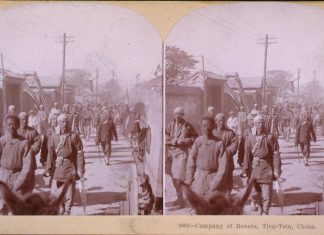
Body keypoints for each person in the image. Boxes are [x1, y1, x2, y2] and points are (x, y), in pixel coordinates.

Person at [44, 114, 85, 215]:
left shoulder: (74, 136)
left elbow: (80, 153)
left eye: (66, 121)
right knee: (54, 194)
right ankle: (60, 209)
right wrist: (48, 169)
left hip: (70, 168)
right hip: (57, 169)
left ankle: (67, 211)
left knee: (69, 194)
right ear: (58, 123)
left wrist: (80, 169)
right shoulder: (54, 137)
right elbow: (50, 154)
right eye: (62, 121)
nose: (65, 123)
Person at [241, 115, 281, 215]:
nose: (261, 124)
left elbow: (276, 154)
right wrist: (245, 170)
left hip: (266, 168)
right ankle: (260, 207)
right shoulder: (250, 137)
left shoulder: (270, 137)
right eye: (258, 122)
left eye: (262, 122)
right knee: (254, 194)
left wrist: (276, 170)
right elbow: (247, 155)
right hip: (254, 169)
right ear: (254, 124)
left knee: (267, 194)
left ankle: (265, 212)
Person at [185, 117, 228, 207]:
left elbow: (223, 166)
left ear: (213, 127)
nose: (206, 128)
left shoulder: (219, 143)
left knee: (212, 208)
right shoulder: (198, 142)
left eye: (208, 125)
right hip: (199, 179)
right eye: (204, 126)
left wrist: (216, 182)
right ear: (201, 127)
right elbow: (191, 161)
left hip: (213, 179)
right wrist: (190, 178)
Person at [0, 115, 34, 214]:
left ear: (18, 126)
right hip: (3, 177)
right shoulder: (2, 141)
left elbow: (27, 166)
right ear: (5, 126)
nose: (12, 127)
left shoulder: (24, 143)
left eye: (14, 124)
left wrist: (19, 183)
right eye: (9, 124)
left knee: (16, 210)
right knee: (2, 207)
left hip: (18, 178)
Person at [165, 106, 198, 208]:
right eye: (176, 113)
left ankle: (183, 199)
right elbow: (165, 136)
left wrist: (185, 141)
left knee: (179, 177)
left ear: (182, 115)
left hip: (182, 154)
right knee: (173, 178)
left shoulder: (187, 126)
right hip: (171, 154)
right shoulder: (170, 125)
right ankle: (179, 197)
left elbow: (195, 137)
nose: (177, 115)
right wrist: (172, 140)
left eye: (179, 114)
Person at [213, 113, 238, 194]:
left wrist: (225, 151)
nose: (222, 122)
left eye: (224, 120)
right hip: (215, 161)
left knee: (228, 179)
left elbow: (235, 144)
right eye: (220, 121)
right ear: (216, 121)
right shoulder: (212, 132)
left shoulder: (230, 132)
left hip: (227, 160)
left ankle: (227, 195)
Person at [17, 112, 42, 193]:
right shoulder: (15, 131)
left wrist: (31, 151)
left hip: (30, 160)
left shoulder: (32, 131)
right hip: (18, 161)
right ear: (19, 120)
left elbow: (38, 142)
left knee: (30, 181)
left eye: (26, 119)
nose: (25, 121)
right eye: (23, 119)